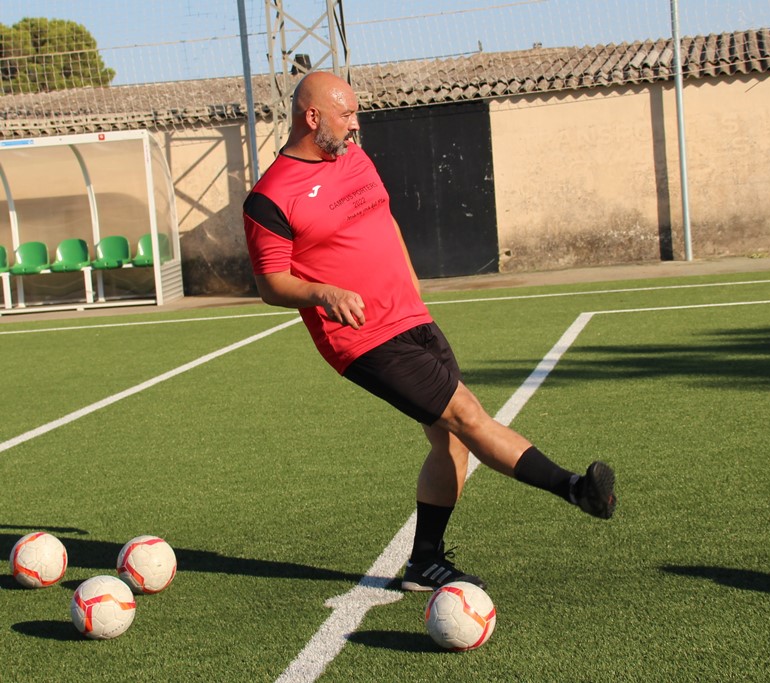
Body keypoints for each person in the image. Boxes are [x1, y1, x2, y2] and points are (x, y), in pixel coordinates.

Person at [241, 71, 616, 592]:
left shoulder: (355, 157)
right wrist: (324, 293)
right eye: (346, 114)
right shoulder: (270, 197)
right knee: (467, 416)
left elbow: (385, 219)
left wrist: (412, 287)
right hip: (364, 339)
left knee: (451, 442)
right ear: (312, 117)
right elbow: (271, 284)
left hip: (412, 317)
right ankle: (575, 488)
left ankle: (424, 562)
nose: (355, 124)